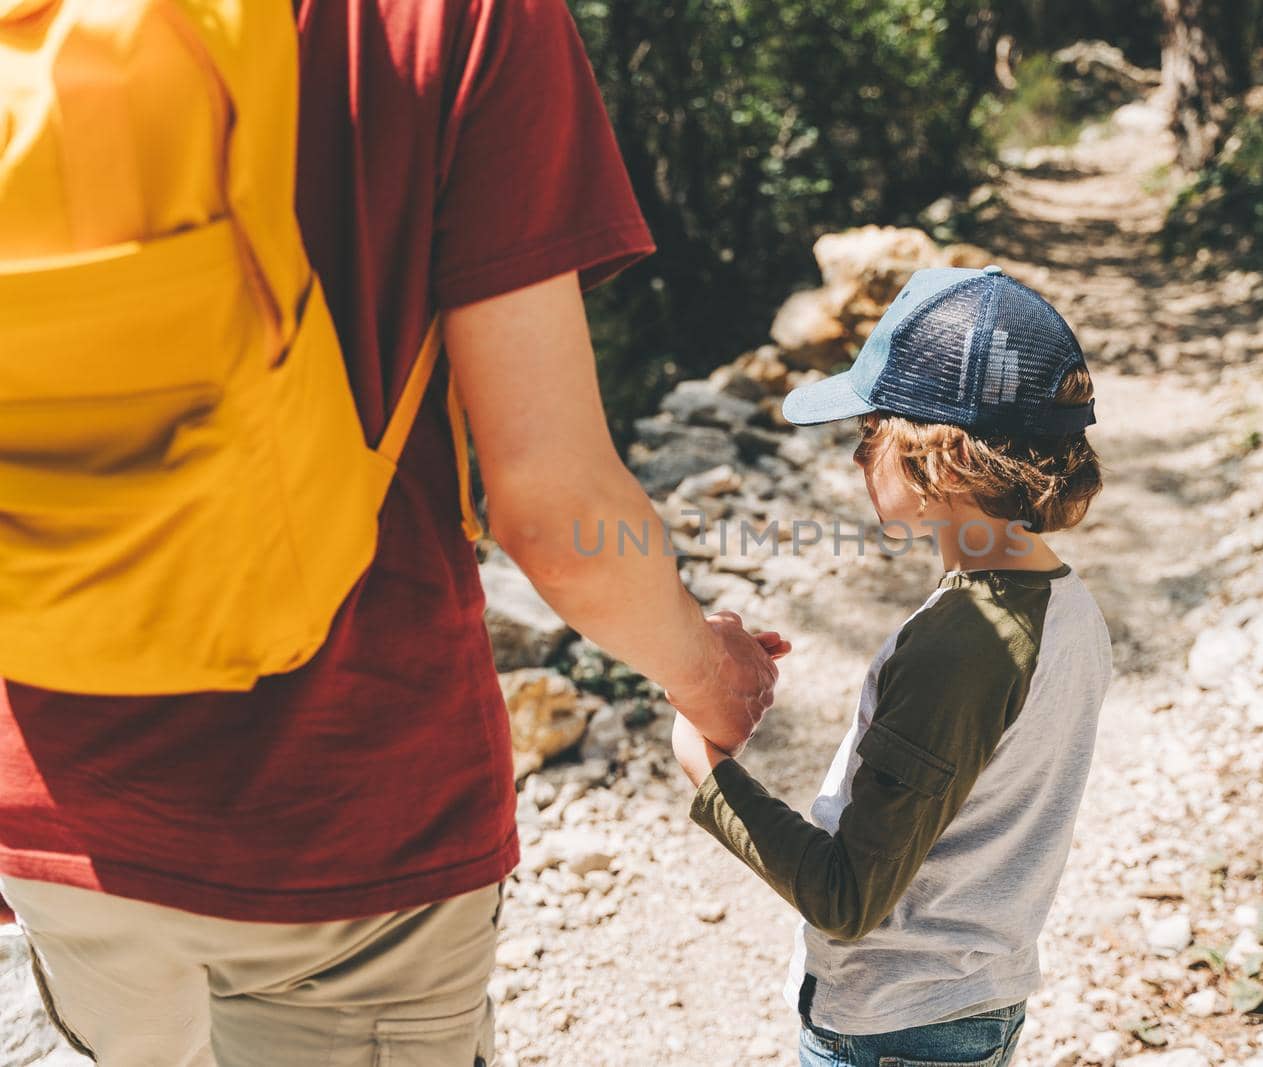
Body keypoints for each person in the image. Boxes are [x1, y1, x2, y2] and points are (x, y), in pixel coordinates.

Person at [0, 1, 778, 1063]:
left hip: (53, 799)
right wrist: (706, 671)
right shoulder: (462, 18)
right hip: (350, 815)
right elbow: (554, 510)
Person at [673, 266, 1114, 1067]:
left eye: (871, 424)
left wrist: (706, 766)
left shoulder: (961, 639)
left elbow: (847, 896)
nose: (853, 452)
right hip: (968, 1003)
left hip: (894, 1028)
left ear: (937, 452)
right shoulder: (1064, 603)